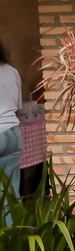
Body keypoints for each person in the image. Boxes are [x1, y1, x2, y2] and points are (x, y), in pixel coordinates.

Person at [0, 39, 22, 225]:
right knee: (12, 189)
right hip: (14, 132)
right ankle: (16, 235)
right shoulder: (12, 71)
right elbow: (18, 106)